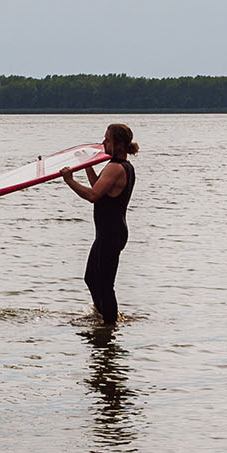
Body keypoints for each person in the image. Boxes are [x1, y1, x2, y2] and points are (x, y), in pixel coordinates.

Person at [62, 123, 138, 325]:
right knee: (91, 278)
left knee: (105, 284)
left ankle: (109, 326)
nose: (103, 143)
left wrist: (69, 180)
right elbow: (100, 187)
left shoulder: (115, 167)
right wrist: (87, 166)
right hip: (109, 232)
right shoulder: (122, 166)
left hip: (111, 233)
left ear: (119, 144)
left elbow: (93, 195)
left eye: (107, 140)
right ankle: (103, 316)